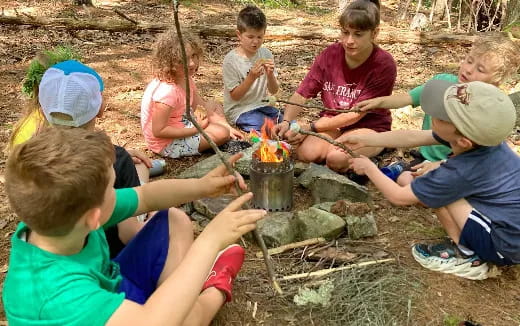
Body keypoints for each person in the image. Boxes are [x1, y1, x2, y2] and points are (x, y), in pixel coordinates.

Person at [3, 127, 266, 325]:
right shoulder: (57, 294)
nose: (118, 190)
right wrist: (208, 242)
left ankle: (176, 299)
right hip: (120, 313)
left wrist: (202, 187)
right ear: (94, 218)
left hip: (112, 289)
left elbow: (146, 196)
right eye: (112, 186)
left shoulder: (60, 215)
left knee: (173, 219)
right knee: (180, 319)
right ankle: (216, 286)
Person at [348, 80, 520, 280]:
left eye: (440, 116)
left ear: (463, 141)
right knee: (440, 185)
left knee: (439, 190)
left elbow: (399, 196)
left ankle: (466, 256)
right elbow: (412, 137)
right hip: (508, 227)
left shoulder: (458, 171)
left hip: (504, 245)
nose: (432, 115)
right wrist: (369, 140)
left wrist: (369, 168)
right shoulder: (483, 141)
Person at [9, 56, 152, 257]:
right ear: (100, 108)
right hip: (112, 257)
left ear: (42, 107)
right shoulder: (114, 159)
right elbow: (130, 234)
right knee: (142, 169)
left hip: (57, 252)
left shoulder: (31, 154)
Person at [349, 34, 520, 185]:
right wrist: (377, 102)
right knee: (405, 178)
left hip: (461, 167)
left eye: (480, 70)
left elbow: (482, 158)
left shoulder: (490, 110)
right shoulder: (442, 84)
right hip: (426, 155)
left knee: (411, 182)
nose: (468, 69)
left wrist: (441, 165)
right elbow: (408, 100)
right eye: (469, 60)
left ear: (496, 82)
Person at [272, 0, 396, 173]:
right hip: (332, 124)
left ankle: (375, 153)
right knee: (306, 153)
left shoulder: (383, 64)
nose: (349, 41)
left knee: (336, 158)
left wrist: (311, 128)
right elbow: (302, 93)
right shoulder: (330, 55)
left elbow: (355, 114)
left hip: (369, 126)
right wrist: (286, 121)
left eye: (358, 34)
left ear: (374, 33)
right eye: (345, 32)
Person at [141, 29, 242, 159]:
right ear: (169, 62)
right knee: (221, 133)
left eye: (194, 56)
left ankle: (221, 132)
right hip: (167, 143)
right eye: (184, 59)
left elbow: (199, 105)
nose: (192, 63)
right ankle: (214, 137)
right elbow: (158, 131)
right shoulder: (167, 92)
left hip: (183, 123)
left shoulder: (185, 78)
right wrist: (196, 129)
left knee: (214, 105)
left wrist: (226, 126)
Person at [222, 5, 281, 132]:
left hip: (262, 105)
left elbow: (274, 90)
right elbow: (235, 97)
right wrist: (251, 77)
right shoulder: (231, 60)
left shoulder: (266, 54)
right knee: (266, 125)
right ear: (239, 34)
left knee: (286, 121)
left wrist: (270, 75)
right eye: (250, 37)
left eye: (259, 37)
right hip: (239, 109)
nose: (255, 42)